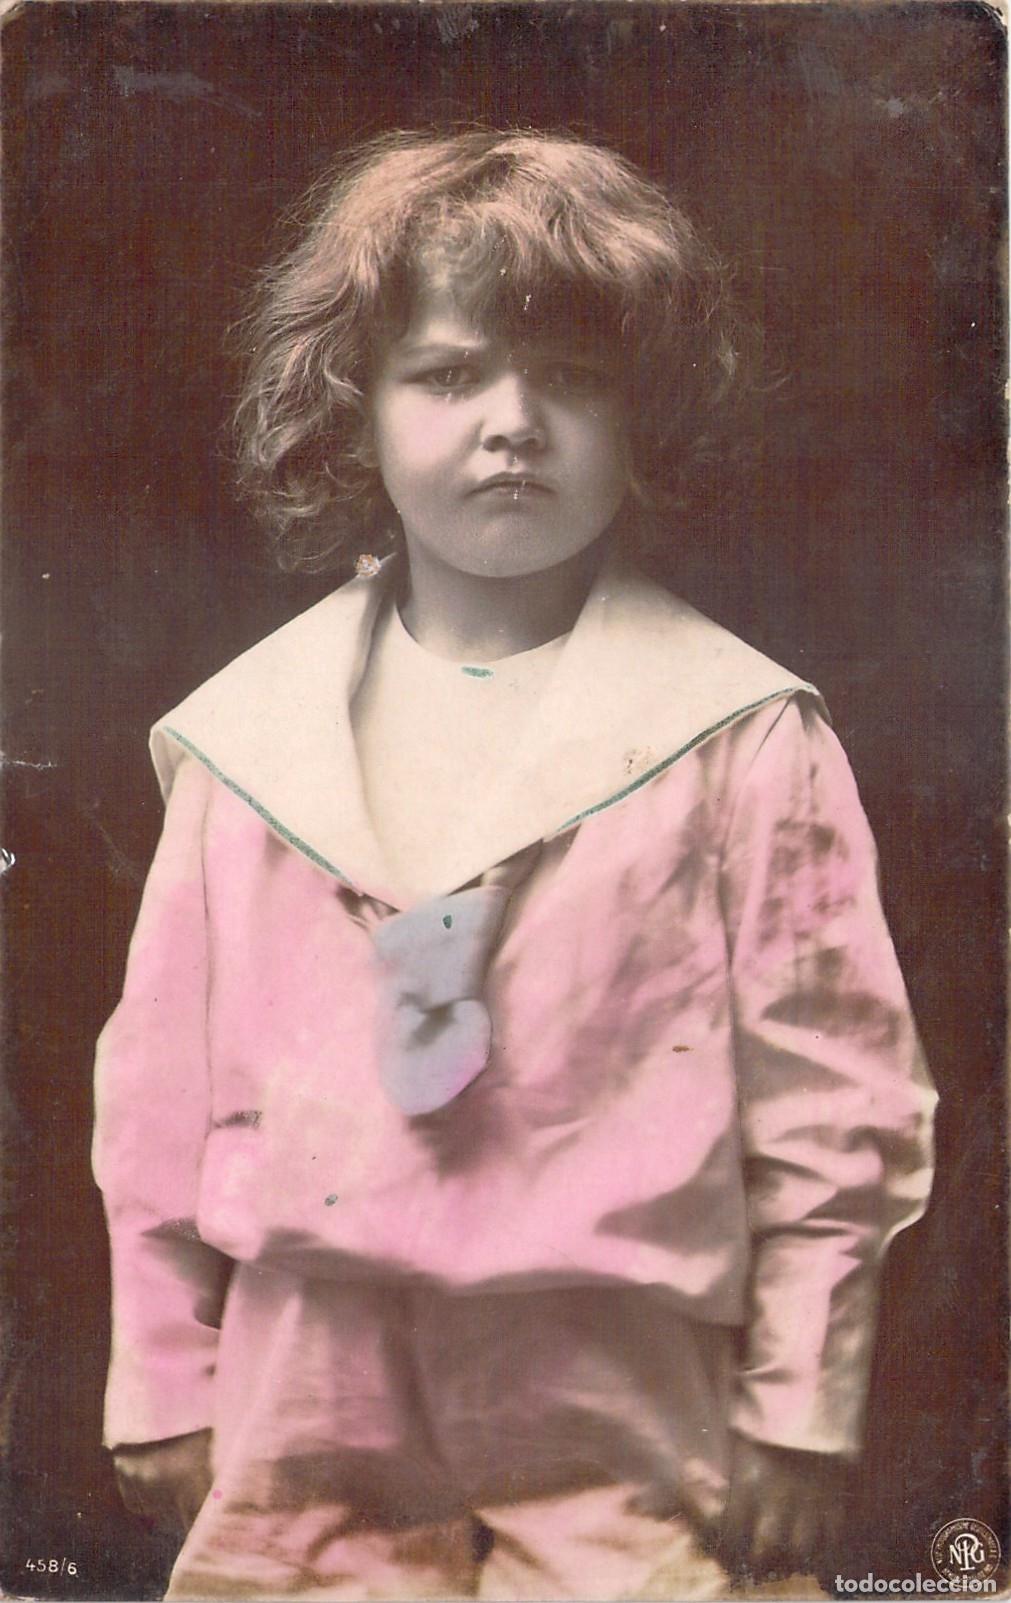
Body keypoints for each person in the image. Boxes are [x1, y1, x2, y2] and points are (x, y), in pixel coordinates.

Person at [93, 128, 936, 1601]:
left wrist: (801, 1403)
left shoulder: (737, 732)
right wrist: (163, 1363)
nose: (513, 424)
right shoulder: (251, 743)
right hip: (313, 1380)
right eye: (447, 373)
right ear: (353, 412)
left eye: (577, 378)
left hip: (619, 1380)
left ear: (650, 415)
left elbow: (833, 1099)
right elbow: (156, 1086)